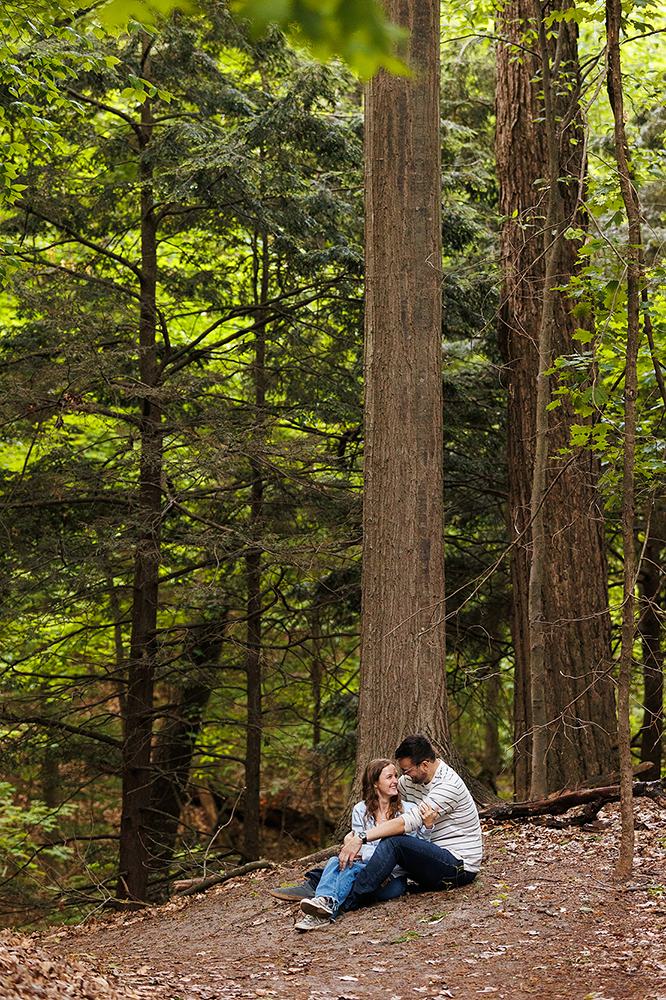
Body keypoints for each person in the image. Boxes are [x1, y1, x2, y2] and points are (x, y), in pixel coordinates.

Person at [338, 734, 482, 912]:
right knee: (379, 852)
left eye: (406, 771)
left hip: (457, 867)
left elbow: (405, 823)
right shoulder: (413, 780)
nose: (402, 779)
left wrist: (360, 838)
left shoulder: (448, 786)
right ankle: (319, 883)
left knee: (394, 842)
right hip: (428, 859)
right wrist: (351, 839)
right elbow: (384, 791)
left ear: (424, 765)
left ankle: (349, 901)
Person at [294, 757, 436, 932]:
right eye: (389, 777)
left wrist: (428, 826)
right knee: (336, 861)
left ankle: (322, 905)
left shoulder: (408, 809)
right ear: (375, 784)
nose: (395, 781)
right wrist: (379, 860)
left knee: (343, 867)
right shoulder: (360, 810)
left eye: (395, 776)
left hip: (391, 881)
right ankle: (321, 909)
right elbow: (356, 849)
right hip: (363, 873)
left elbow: (415, 850)